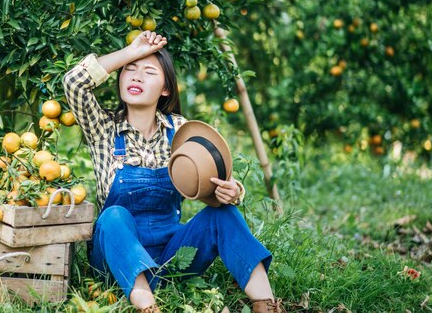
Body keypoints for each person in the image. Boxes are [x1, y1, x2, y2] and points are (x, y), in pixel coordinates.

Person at [63, 31, 283, 313]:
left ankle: (266, 304)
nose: (137, 76)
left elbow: (211, 181)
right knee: (113, 216)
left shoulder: (179, 130)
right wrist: (131, 52)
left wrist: (232, 191)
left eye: (149, 71)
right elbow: (73, 82)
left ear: (166, 89)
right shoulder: (103, 128)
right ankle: (147, 306)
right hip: (115, 265)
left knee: (223, 214)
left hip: (172, 259)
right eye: (129, 71)